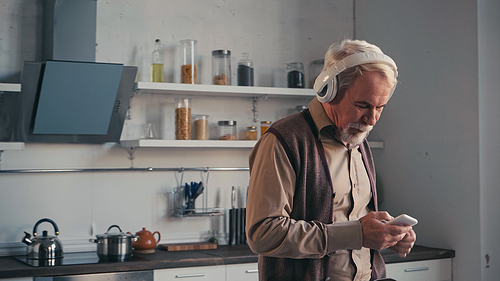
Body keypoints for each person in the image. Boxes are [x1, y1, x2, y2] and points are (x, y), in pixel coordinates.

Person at [245, 39, 416, 281]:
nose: (372, 120)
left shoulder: (358, 139)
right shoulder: (284, 140)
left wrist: (388, 234)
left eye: (381, 107)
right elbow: (263, 233)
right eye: (363, 105)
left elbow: (353, 219)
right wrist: (356, 233)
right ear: (329, 90)